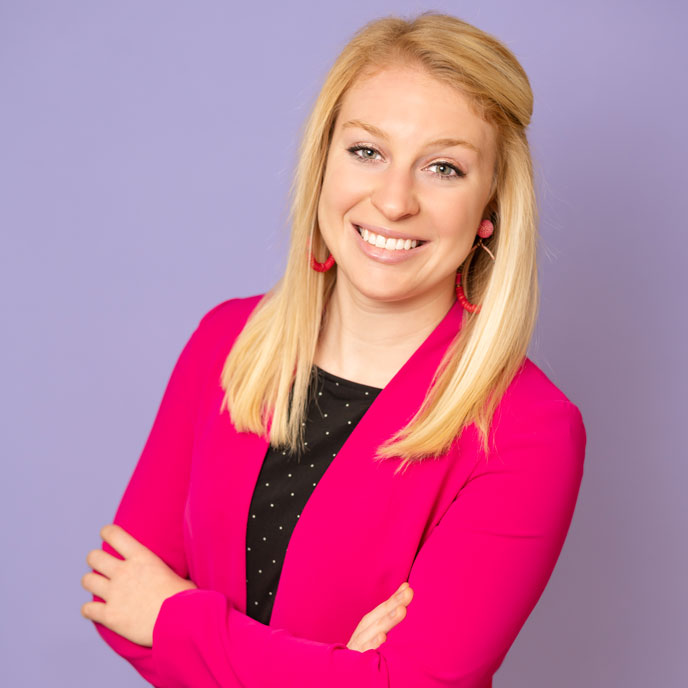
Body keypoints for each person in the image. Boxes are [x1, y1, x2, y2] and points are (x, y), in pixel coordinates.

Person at [80, 11, 587, 688]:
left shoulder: (529, 431)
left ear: (489, 208)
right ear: (323, 163)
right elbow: (118, 598)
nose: (394, 200)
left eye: (443, 167)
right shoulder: (226, 341)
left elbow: (413, 684)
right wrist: (339, 667)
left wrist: (174, 617)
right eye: (366, 152)